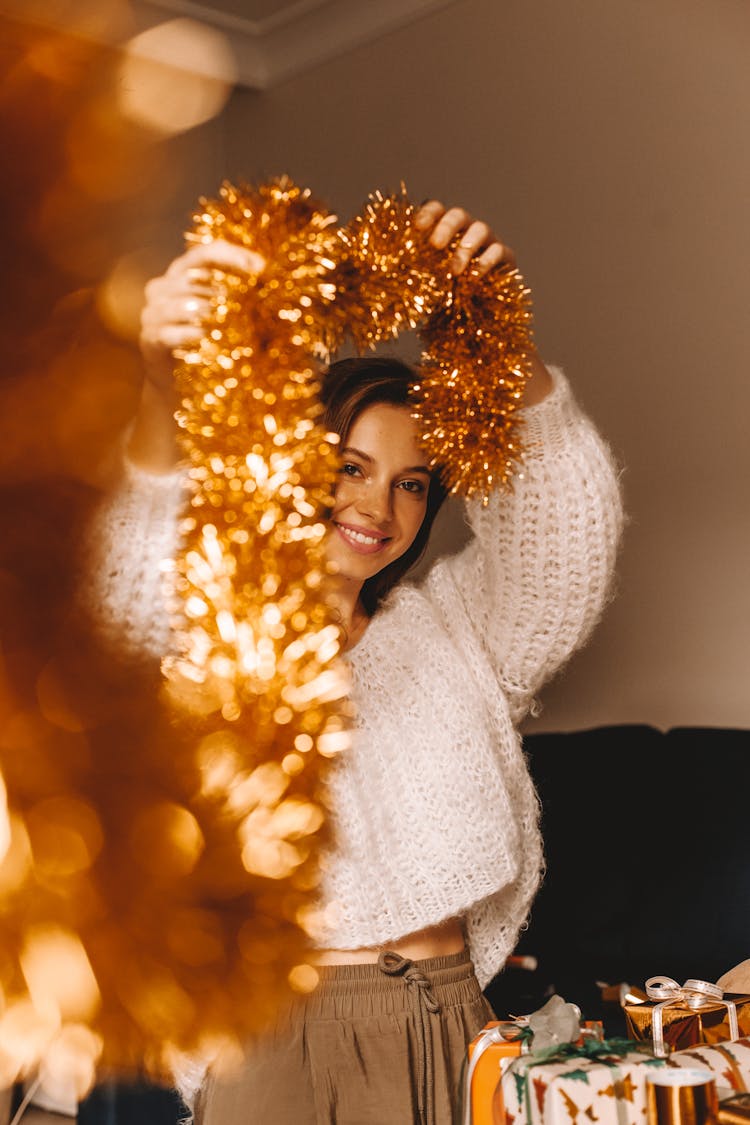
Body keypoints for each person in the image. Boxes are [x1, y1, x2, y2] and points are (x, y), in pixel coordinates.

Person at [84, 200, 624, 1124]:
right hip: (273, 1040)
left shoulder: (457, 627)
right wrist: (164, 384)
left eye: (413, 481)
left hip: (452, 1022)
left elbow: (563, 544)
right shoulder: (212, 625)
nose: (380, 502)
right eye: (350, 465)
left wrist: (496, 343)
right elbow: (133, 583)